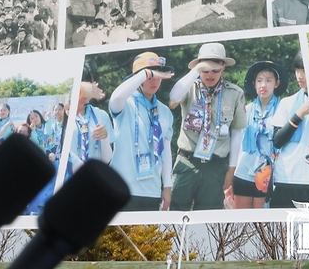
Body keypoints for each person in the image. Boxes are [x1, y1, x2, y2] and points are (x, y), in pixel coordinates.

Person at [169, 43, 246, 211]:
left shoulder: (235, 93)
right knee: (175, 213)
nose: (209, 74)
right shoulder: (189, 88)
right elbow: (173, 98)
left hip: (215, 166)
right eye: (205, 70)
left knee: (209, 216)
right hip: (186, 162)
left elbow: (237, 132)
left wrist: (232, 169)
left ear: (223, 67)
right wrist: (196, 70)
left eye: (215, 70)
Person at [109, 52, 175, 211]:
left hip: (151, 191)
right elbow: (115, 98)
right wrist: (145, 73)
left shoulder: (165, 111)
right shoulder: (125, 103)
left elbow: (166, 150)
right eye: (149, 76)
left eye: (157, 74)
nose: (154, 80)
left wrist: (167, 186)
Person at [231, 61, 287, 209]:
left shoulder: (283, 110)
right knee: (241, 222)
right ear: (254, 84)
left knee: (262, 223)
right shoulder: (246, 110)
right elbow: (236, 143)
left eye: (268, 80)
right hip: (243, 172)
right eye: (259, 81)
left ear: (277, 83)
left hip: (267, 175)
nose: (263, 85)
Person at [269, 58, 309, 208]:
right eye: (297, 71)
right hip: (287, 178)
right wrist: (298, 115)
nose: (300, 76)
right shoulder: (287, 103)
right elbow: (277, 140)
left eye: (304, 71)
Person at [69, 67, 114, 173]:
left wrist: (104, 138)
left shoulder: (101, 115)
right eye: (84, 84)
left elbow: (106, 159)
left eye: (91, 82)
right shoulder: (65, 114)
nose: (88, 89)